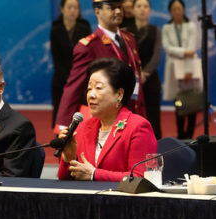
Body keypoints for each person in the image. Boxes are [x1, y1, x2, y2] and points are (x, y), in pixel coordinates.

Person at [57, 57, 157, 181]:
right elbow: (64, 179)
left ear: (119, 94)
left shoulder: (138, 127)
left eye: (98, 88)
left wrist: (94, 174)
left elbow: (142, 178)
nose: (91, 95)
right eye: (89, 89)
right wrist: (68, 158)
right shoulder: (83, 127)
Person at [55, 0, 145, 128]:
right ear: (98, 11)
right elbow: (74, 88)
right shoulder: (89, 46)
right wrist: (64, 125)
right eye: (112, 7)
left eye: (120, 7)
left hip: (133, 115)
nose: (118, 11)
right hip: (107, 121)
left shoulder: (130, 40)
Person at [162, 0, 199, 139]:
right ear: (170, 11)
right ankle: (181, 135)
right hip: (174, 70)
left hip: (189, 68)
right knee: (178, 103)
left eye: (179, 8)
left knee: (192, 102)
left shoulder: (191, 26)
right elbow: (168, 48)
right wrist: (184, 52)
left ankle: (190, 135)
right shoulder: (166, 28)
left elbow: (192, 47)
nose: (177, 11)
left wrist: (188, 70)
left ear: (183, 10)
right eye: (174, 9)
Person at [50, 0, 90, 128]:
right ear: (62, 9)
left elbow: (87, 55)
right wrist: (68, 77)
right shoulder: (56, 29)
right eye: (69, 7)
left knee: (81, 110)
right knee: (60, 111)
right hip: (61, 78)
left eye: (75, 8)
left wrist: (77, 76)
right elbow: (57, 58)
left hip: (81, 77)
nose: (73, 11)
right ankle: (59, 138)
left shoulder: (84, 27)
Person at [125, 0, 161, 139]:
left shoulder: (156, 30)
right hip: (132, 81)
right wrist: (135, 74)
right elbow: (125, 55)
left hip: (150, 80)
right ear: (132, 10)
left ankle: (156, 151)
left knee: (153, 118)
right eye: (138, 6)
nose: (142, 9)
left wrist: (144, 74)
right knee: (132, 117)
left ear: (149, 10)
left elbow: (156, 56)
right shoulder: (126, 31)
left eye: (145, 6)